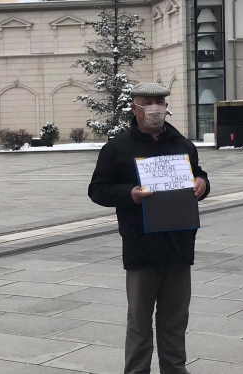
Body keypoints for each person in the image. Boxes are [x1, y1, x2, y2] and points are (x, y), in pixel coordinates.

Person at [88, 83, 209, 374]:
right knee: (140, 322)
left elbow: (199, 176)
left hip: (179, 245)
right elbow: (98, 190)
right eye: (148, 102)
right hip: (140, 245)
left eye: (160, 101)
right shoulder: (117, 147)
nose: (155, 107)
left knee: (175, 321)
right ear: (135, 107)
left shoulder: (182, 144)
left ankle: (175, 370)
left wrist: (203, 185)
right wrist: (130, 194)